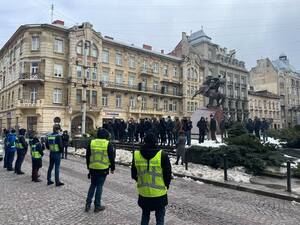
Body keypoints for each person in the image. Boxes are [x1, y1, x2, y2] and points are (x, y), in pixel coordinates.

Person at [131, 132, 172, 225]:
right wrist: (167, 185)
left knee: (145, 216)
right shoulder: (162, 155)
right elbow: (167, 174)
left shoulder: (136, 155)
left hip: (144, 193)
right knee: (160, 219)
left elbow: (133, 175)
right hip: (160, 194)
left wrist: (141, 180)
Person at [85, 128, 115, 212]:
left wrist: (88, 166)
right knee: (99, 186)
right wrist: (112, 168)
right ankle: (97, 205)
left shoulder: (92, 142)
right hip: (103, 168)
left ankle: (87, 203)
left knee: (92, 185)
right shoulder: (107, 144)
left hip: (92, 167)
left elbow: (87, 155)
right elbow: (111, 157)